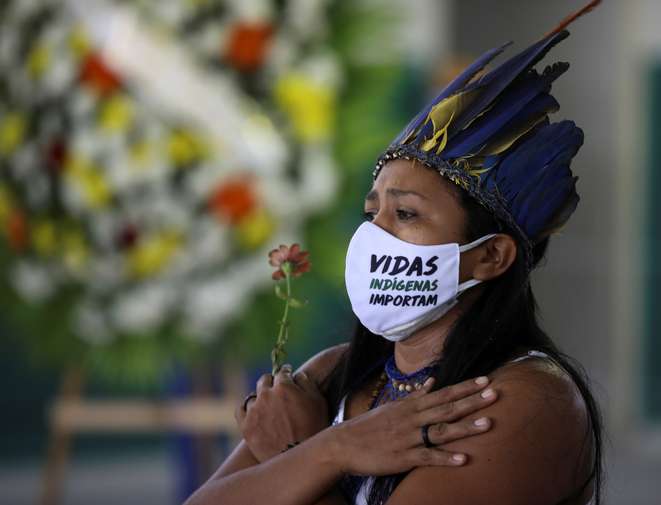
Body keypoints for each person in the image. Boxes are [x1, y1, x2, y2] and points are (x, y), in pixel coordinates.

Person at [186, 1, 604, 504]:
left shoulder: (525, 399)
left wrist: (301, 451)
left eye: (405, 215)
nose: (375, 235)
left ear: (491, 256)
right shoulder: (334, 372)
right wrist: (331, 448)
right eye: (372, 213)